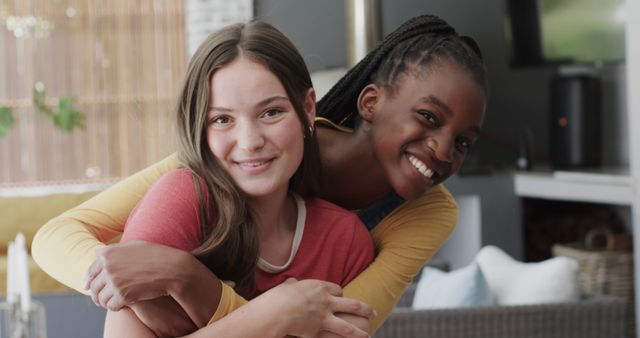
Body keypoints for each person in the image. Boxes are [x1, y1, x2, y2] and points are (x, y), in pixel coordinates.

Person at [33, 14, 487, 337]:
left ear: (305, 108)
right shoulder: (207, 177)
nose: (444, 150)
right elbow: (57, 236)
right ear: (369, 103)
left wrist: (192, 285)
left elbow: (341, 328)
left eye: (464, 141)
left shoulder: (389, 225)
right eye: (428, 117)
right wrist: (136, 275)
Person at [100, 21, 375, 337]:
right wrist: (275, 314)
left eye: (270, 112)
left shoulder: (345, 240)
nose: (250, 141)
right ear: (200, 130)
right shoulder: (179, 200)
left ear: (307, 109)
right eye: (222, 119)